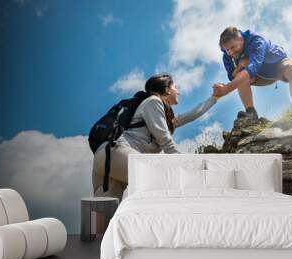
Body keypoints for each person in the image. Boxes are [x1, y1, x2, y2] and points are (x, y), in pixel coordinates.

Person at [92, 73, 224, 200]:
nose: (178, 92)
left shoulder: (161, 116)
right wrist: (185, 166)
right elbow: (165, 141)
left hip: (108, 158)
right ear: (167, 90)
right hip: (117, 154)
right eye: (175, 88)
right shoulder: (153, 102)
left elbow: (191, 115)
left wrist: (214, 98)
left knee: (104, 213)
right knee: (163, 181)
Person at [213, 26, 292, 120]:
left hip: (277, 65)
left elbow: (253, 67)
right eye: (227, 50)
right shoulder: (226, 56)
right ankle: (251, 114)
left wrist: (228, 88)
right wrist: (240, 67)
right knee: (239, 77)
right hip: (259, 76)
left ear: (241, 39)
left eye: (233, 47)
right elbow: (233, 78)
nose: (231, 52)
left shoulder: (257, 40)